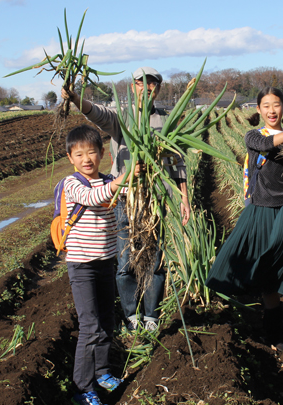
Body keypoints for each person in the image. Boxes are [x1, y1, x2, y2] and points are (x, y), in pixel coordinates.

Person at [62, 67, 190, 333]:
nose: (146, 87)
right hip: (125, 199)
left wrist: (183, 198)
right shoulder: (121, 119)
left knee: (155, 261)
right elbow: (95, 111)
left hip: (155, 200)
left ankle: (151, 315)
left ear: (158, 88)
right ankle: (132, 315)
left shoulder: (167, 121)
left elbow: (179, 163)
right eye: (140, 83)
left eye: (152, 83)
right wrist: (74, 98)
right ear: (133, 88)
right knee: (125, 262)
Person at [205, 87, 283, 352]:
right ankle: (270, 333)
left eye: (277, 104)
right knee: (265, 270)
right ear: (258, 110)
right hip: (261, 209)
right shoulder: (254, 136)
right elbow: (266, 145)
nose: (272, 110)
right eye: (266, 105)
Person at [61, 124, 141, 405]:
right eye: (79, 154)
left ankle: (104, 372)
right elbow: (95, 197)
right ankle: (83, 388)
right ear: (70, 158)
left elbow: (126, 190)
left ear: (102, 154)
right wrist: (123, 179)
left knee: (107, 320)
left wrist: (139, 175)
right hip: (81, 266)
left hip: (106, 261)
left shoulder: (109, 179)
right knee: (90, 326)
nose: (86, 159)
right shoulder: (73, 184)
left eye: (91, 152)